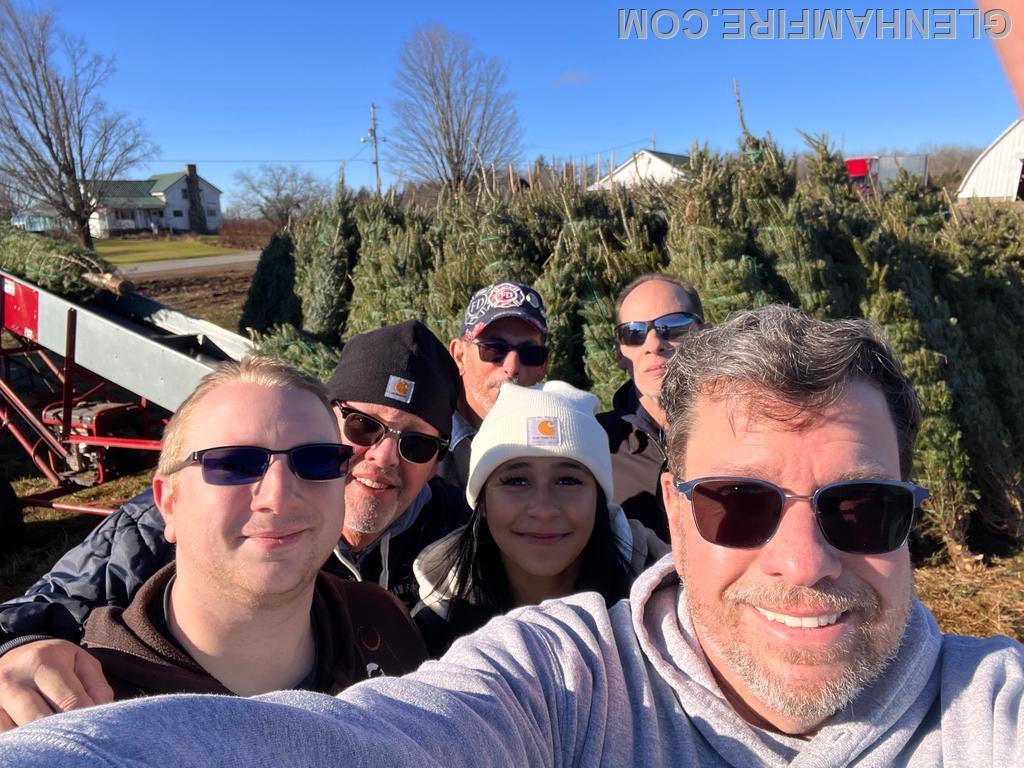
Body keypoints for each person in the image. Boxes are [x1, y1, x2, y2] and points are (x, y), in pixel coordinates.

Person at [2, 305, 1022, 766]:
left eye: (860, 508)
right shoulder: (550, 673)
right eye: (739, 506)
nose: (802, 559)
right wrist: (19, 652)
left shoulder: (389, 616)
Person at [0, 320, 463, 727]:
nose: (384, 456)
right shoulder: (149, 532)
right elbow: (47, 606)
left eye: (418, 444)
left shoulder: (449, 536)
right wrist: (21, 649)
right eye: (363, 426)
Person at [82, 357, 425, 703]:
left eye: (317, 461)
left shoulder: (384, 624)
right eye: (235, 464)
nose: (279, 498)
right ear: (170, 503)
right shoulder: (92, 700)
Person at [413, 381, 668, 656]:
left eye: (568, 480)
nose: (544, 509)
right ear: (482, 501)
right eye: (517, 481)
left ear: (598, 498)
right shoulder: (425, 639)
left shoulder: (669, 613)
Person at [596, 272, 705, 540]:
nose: (654, 344)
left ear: (706, 335)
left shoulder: (743, 432)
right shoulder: (595, 444)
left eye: (674, 326)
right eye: (633, 333)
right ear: (619, 353)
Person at [440, 280, 549, 488]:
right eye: (494, 349)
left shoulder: (558, 449)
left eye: (530, 354)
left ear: (543, 366)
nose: (512, 367)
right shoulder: (418, 447)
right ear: (459, 356)